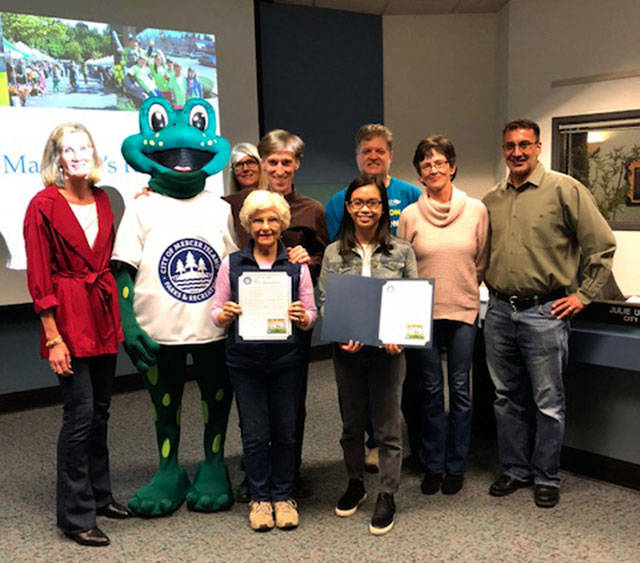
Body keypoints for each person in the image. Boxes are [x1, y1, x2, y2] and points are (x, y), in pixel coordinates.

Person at [482, 119, 616, 508]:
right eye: (510, 146)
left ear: (539, 147)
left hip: (545, 312)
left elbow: (602, 246)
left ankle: (546, 476)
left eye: (525, 144)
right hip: (499, 312)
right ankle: (515, 469)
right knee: (506, 398)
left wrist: (583, 296)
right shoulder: (492, 199)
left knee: (547, 401)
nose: (517, 152)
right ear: (503, 150)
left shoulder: (565, 189)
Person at [23, 123, 129, 547]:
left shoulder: (103, 199)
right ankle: (75, 515)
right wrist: (53, 338)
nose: (78, 155)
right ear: (58, 158)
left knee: (101, 411)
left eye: (84, 147)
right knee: (80, 415)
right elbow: (38, 274)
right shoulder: (42, 205)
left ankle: (100, 496)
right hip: (66, 319)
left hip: (101, 313)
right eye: (69, 150)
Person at [224, 130, 328, 502]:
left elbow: (324, 259)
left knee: (289, 407)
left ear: (297, 164)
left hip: (292, 320)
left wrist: (308, 259)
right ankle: (254, 476)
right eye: (273, 162)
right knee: (252, 409)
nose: (280, 169)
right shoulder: (234, 205)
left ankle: (290, 474)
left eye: (287, 162)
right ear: (261, 164)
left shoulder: (312, 210)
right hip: (247, 324)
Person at [211, 190, 317, 532]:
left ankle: (283, 497)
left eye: (272, 219)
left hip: (287, 359)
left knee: (285, 432)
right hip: (245, 362)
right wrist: (224, 315)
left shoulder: (296, 266)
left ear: (282, 223)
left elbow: (311, 315)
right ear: (248, 224)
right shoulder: (232, 264)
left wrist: (302, 317)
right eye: (258, 220)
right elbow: (215, 312)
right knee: (255, 433)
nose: (266, 226)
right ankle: (260, 498)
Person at [319, 173, 418, 536]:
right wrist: (341, 331)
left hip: (388, 353)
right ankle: (355, 483)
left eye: (373, 203)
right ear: (348, 207)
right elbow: (326, 300)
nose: (366, 209)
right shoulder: (333, 252)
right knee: (350, 424)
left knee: (388, 426)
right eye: (358, 202)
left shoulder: (402, 250)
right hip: (348, 351)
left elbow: (411, 299)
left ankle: (387, 493)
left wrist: (401, 336)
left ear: (383, 207)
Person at [325, 124, 423, 471]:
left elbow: (413, 250)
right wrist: (343, 325)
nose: (373, 156)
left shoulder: (412, 194)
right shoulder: (338, 201)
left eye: (380, 151)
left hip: (398, 305)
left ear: (390, 155)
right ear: (358, 156)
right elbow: (339, 262)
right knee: (356, 395)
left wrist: (405, 323)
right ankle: (371, 444)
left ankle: (401, 446)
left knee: (396, 388)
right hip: (357, 310)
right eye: (367, 151)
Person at [398, 135, 489, 496]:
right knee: (431, 391)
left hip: (464, 309)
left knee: (462, 390)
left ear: (452, 166)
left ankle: (457, 464)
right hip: (422, 315)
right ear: (420, 172)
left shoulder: (477, 209)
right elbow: (404, 265)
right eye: (426, 164)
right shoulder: (409, 215)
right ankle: (433, 464)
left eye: (440, 162)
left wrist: (463, 288)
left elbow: (481, 261)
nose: (433, 169)